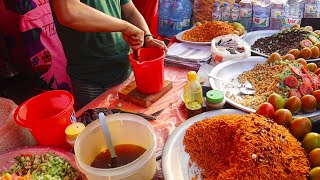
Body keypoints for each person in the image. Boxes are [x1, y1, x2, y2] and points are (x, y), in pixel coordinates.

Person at [50, 0, 167, 110]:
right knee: (100, 128)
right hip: (92, 79)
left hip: (126, 69)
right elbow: (69, 12)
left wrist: (147, 37)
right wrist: (125, 26)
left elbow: (128, 10)